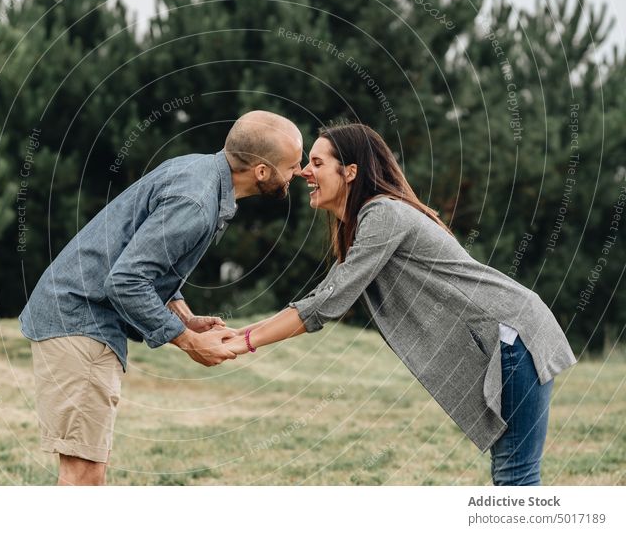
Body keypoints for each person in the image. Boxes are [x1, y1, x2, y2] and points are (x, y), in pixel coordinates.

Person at [222, 122, 577, 486]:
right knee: (513, 472)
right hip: (510, 333)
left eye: (316, 163)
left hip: (510, 335)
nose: (303, 173)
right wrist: (243, 333)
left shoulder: (382, 215)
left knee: (515, 475)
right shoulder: (368, 221)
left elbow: (325, 303)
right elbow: (323, 299)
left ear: (350, 172)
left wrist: (244, 340)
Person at [19, 110, 303, 485]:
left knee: (87, 470)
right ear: (263, 172)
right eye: (293, 165)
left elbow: (147, 259)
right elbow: (124, 281)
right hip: (77, 320)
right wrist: (189, 343)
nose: (298, 173)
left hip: (77, 317)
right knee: (83, 475)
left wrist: (184, 316)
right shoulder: (197, 202)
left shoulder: (197, 170)